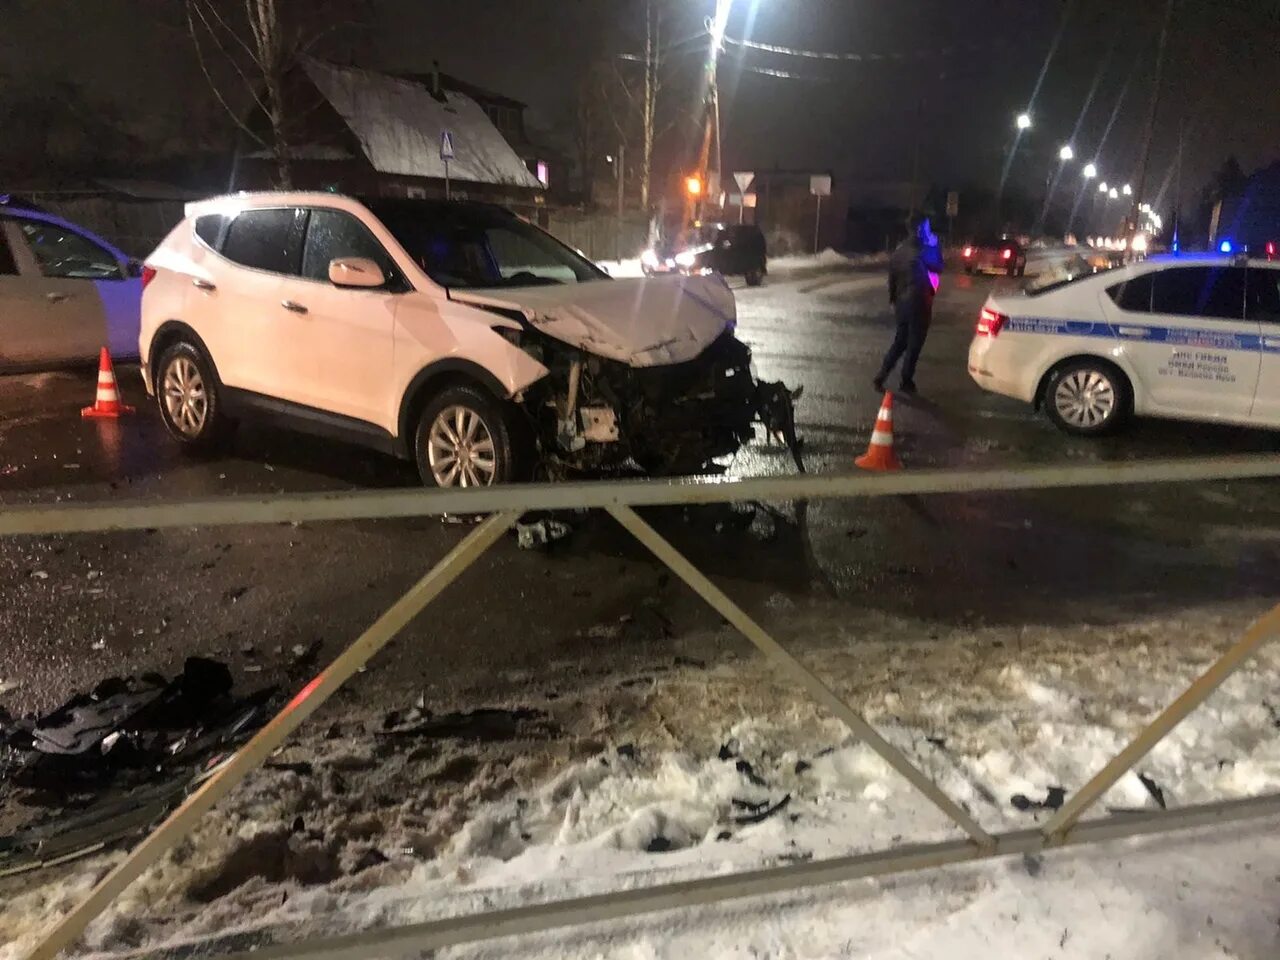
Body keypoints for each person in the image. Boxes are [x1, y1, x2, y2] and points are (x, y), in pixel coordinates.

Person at [874, 214, 944, 395]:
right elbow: (938, 267)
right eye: (927, 228)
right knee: (915, 343)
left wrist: (893, 300)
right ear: (920, 229)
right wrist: (935, 245)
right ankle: (906, 380)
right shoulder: (924, 249)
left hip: (902, 303)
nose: (929, 231)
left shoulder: (900, 250)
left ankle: (882, 375)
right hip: (919, 302)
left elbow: (892, 278)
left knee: (900, 341)